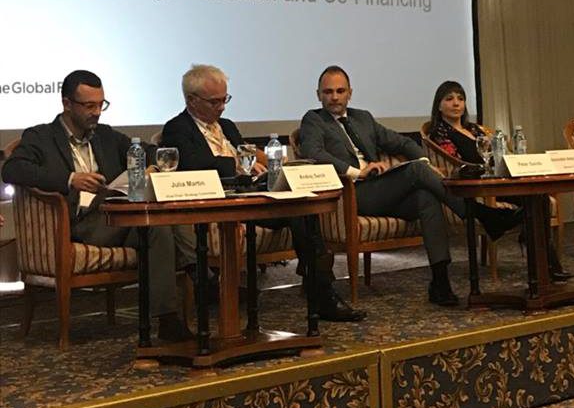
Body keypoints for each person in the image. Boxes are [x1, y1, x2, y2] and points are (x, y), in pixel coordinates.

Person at [299, 65, 522, 307]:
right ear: (318, 95)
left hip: (380, 188)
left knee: (426, 197)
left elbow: (403, 143)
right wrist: (357, 171)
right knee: (416, 170)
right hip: (353, 193)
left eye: (340, 91)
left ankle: (440, 282)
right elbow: (314, 152)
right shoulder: (314, 120)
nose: (334, 97)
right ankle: (479, 213)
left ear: (350, 93)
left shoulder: (362, 118)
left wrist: (426, 161)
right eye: (328, 92)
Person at [161, 64, 366, 322]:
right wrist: (236, 164)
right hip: (220, 202)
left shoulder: (226, 126)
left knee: (302, 209)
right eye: (215, 102)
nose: (222, 107)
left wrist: (268, 162)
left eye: (225, 99)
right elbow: (193, 164)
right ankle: (321, 291)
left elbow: (246, 152)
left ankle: (321, 291)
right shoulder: (177, 128)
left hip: (253, 195)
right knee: (296, 211)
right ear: (191, 100)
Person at [1, 70, 194, 342]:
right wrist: (71, 179)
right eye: (89, 106)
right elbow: (13, 169)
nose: (96, 112)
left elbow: (147, 151)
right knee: (156, 224)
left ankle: (169, 319)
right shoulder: (41, 136)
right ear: (67, 104)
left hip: (116, 215)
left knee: (160, 224)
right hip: (78, 222)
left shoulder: (105, 135)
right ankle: (200, 274)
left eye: (101, 104)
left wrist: (152, 165)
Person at [428, 80, 572, 282]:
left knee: (539, 198)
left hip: (497, 179)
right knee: (534, 206)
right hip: (478, 186)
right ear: (439, 105)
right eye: (449, 99)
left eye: (460, 99)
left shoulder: (475, 130)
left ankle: (544, 261)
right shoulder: (440, 133)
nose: (456, 103)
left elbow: (498, 155)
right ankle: (546, 265)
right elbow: (457, 164)